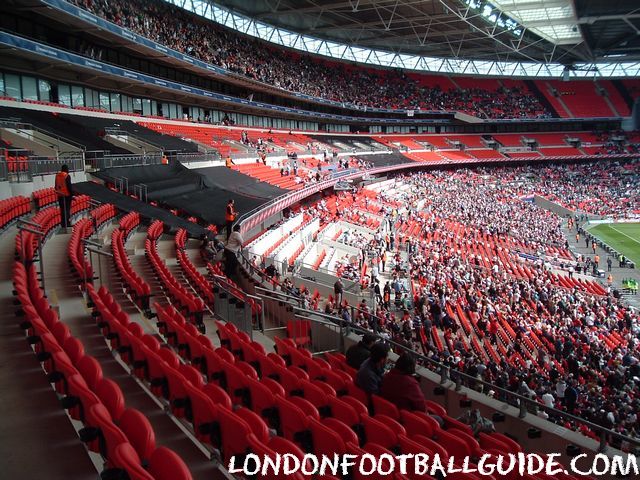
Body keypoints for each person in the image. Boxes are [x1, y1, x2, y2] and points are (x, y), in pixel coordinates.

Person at [54, 164, 73, 231]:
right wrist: (72, 195)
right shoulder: (67, 176)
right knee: (67, 210)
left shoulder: (57, 175)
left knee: (62, 210)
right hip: (66, 195)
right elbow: (69, 186)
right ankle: (67, 223)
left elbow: (56, 186)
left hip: (60, 195)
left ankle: (63, 223)